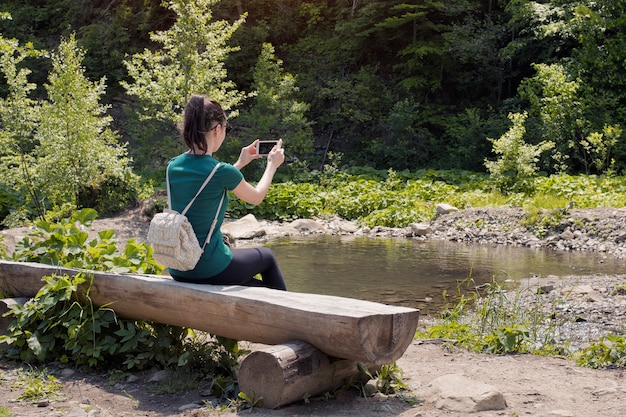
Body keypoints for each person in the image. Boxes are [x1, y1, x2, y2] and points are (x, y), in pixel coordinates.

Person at [166, 94, 287, 290]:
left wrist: (240, 163)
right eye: (226, 129)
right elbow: (256, 198)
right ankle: (288, 315)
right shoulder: (221, 171)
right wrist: (272, 165)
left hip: (179, 265)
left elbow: (207, 182)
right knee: (267, 257)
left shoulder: (173, 166)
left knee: (258, 288)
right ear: (216, 129)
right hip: (208, 266)